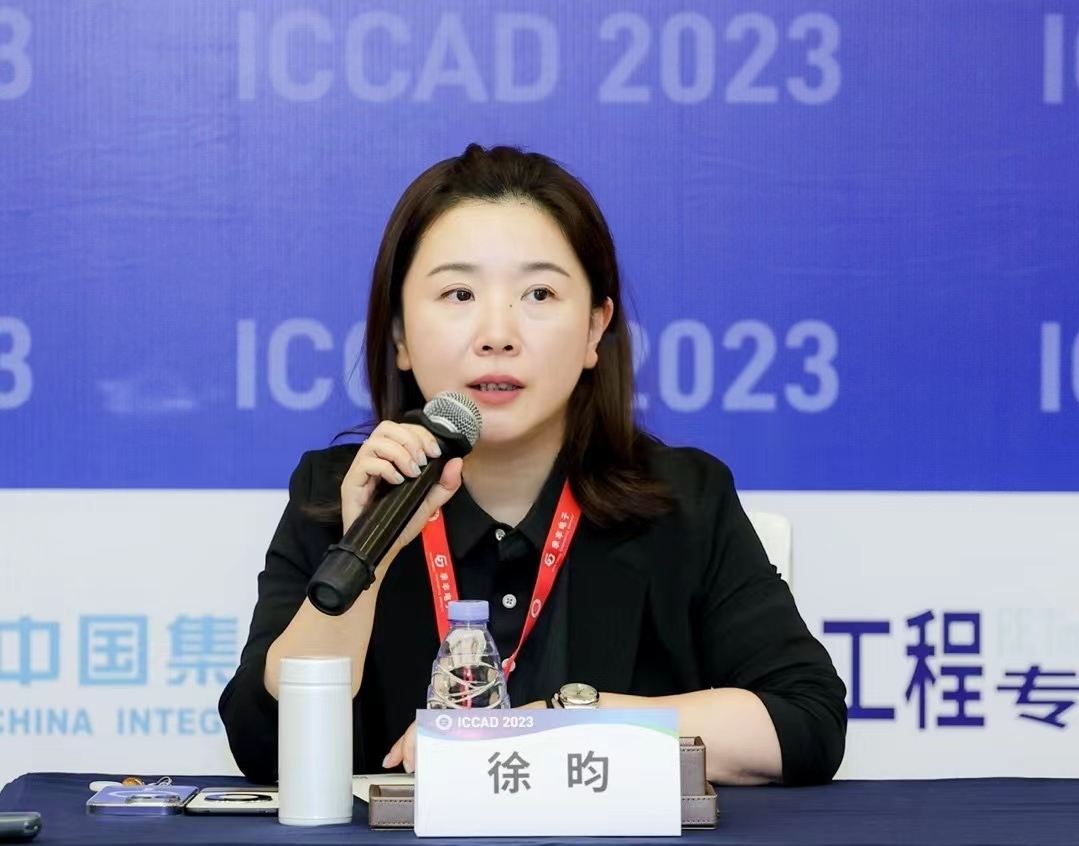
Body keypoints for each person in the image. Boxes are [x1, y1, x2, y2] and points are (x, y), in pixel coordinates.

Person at [219, 144, 847, 787]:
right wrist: (365, 556)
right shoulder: (341, 492)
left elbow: (805, 720)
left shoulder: (684, 499)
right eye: (459, 293)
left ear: (595, 329)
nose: (498, 333)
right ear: (400, 334)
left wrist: (559, 726)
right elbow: (264, 746)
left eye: (539, 293)